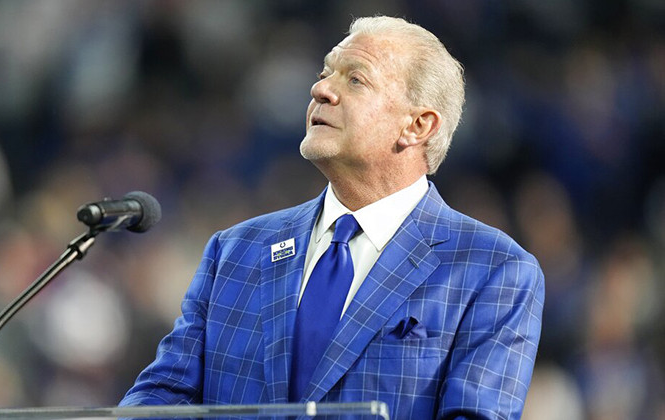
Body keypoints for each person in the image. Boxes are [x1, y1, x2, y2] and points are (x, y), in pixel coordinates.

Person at [120, 15, 544, 419]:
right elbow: (162, 398)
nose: (322, 90)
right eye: (326, 73)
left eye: (355, 79)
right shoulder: (234, 251)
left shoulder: (494, 271)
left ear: (417, 126)